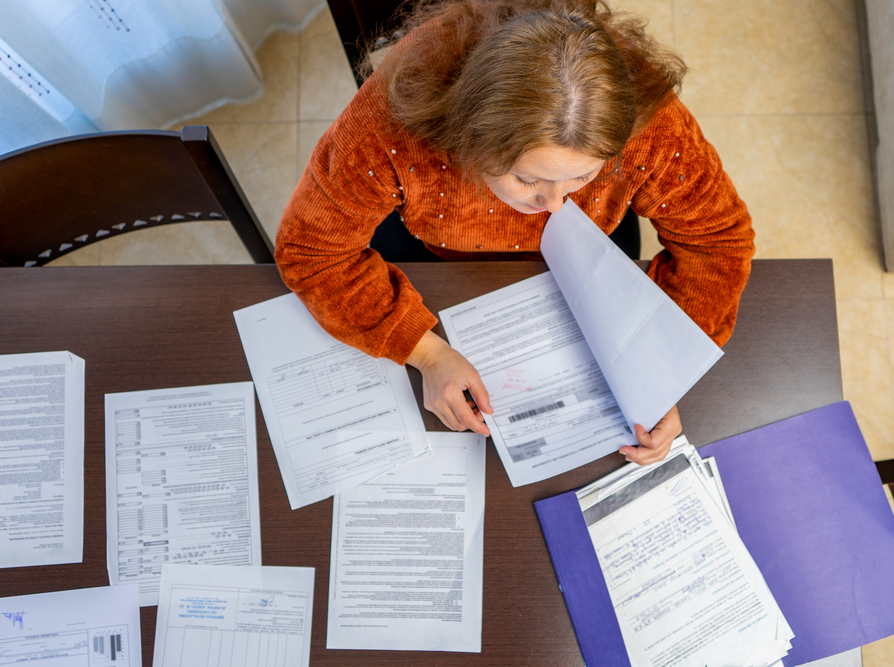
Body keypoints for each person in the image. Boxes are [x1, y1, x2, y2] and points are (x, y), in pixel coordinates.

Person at [275, 0, 755, 465]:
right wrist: (426, 353)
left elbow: (716, 240)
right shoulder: (389, 123)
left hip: (593, 251)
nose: (555, 206)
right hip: (436, 252)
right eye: (528, 179)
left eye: (583, 177)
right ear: (470, 135)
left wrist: (659, 372)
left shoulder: (650, 124)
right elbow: (312, 250)